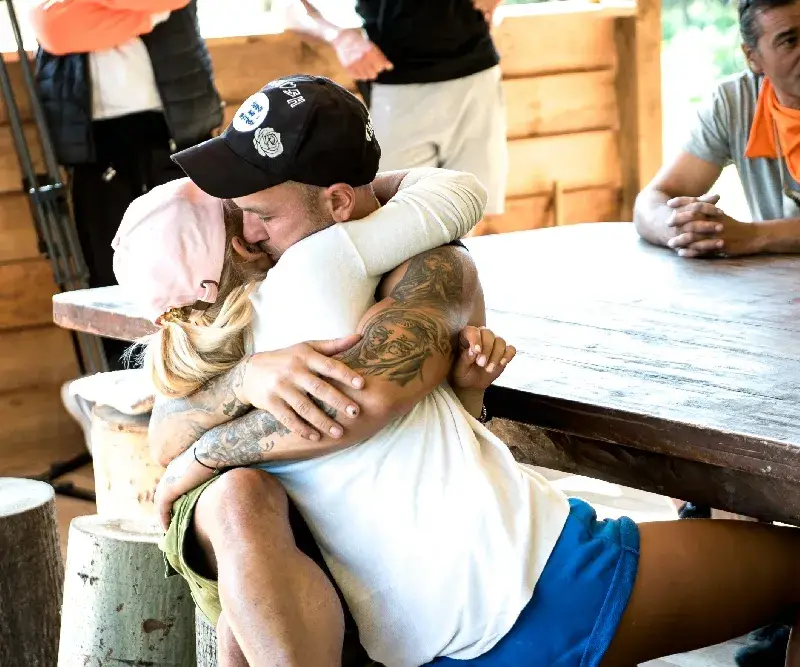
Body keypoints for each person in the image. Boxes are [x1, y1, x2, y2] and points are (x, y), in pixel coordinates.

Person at [112, 75, 800, 667]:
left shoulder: (206, 354)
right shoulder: (317, 268)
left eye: (259, 210)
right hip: (534, 583)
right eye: (241, 215)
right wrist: (359, 195)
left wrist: (194, 456)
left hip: (422, 636)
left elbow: (183, 430)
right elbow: (455, 193)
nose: (251, 229)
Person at [30, 0, 223, 370]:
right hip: (94, 142)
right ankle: (130, 384)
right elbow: (53, 26)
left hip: (174, 129)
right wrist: (144, 15)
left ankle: (206, 377)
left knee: (200, 267)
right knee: (111, 275)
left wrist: (90, 10)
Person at [285, 0, 507, 236]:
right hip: (396, 90)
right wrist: (340, 38)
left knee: (469, 214)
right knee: (401, 222)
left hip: (478, 78)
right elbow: (290, 9)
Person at [634, 0, 800, 260]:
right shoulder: (734, 103)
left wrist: (753, 236)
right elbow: (652, 200)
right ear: (753, 58)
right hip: (774, 284)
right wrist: (680, 228)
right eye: (789, 41)